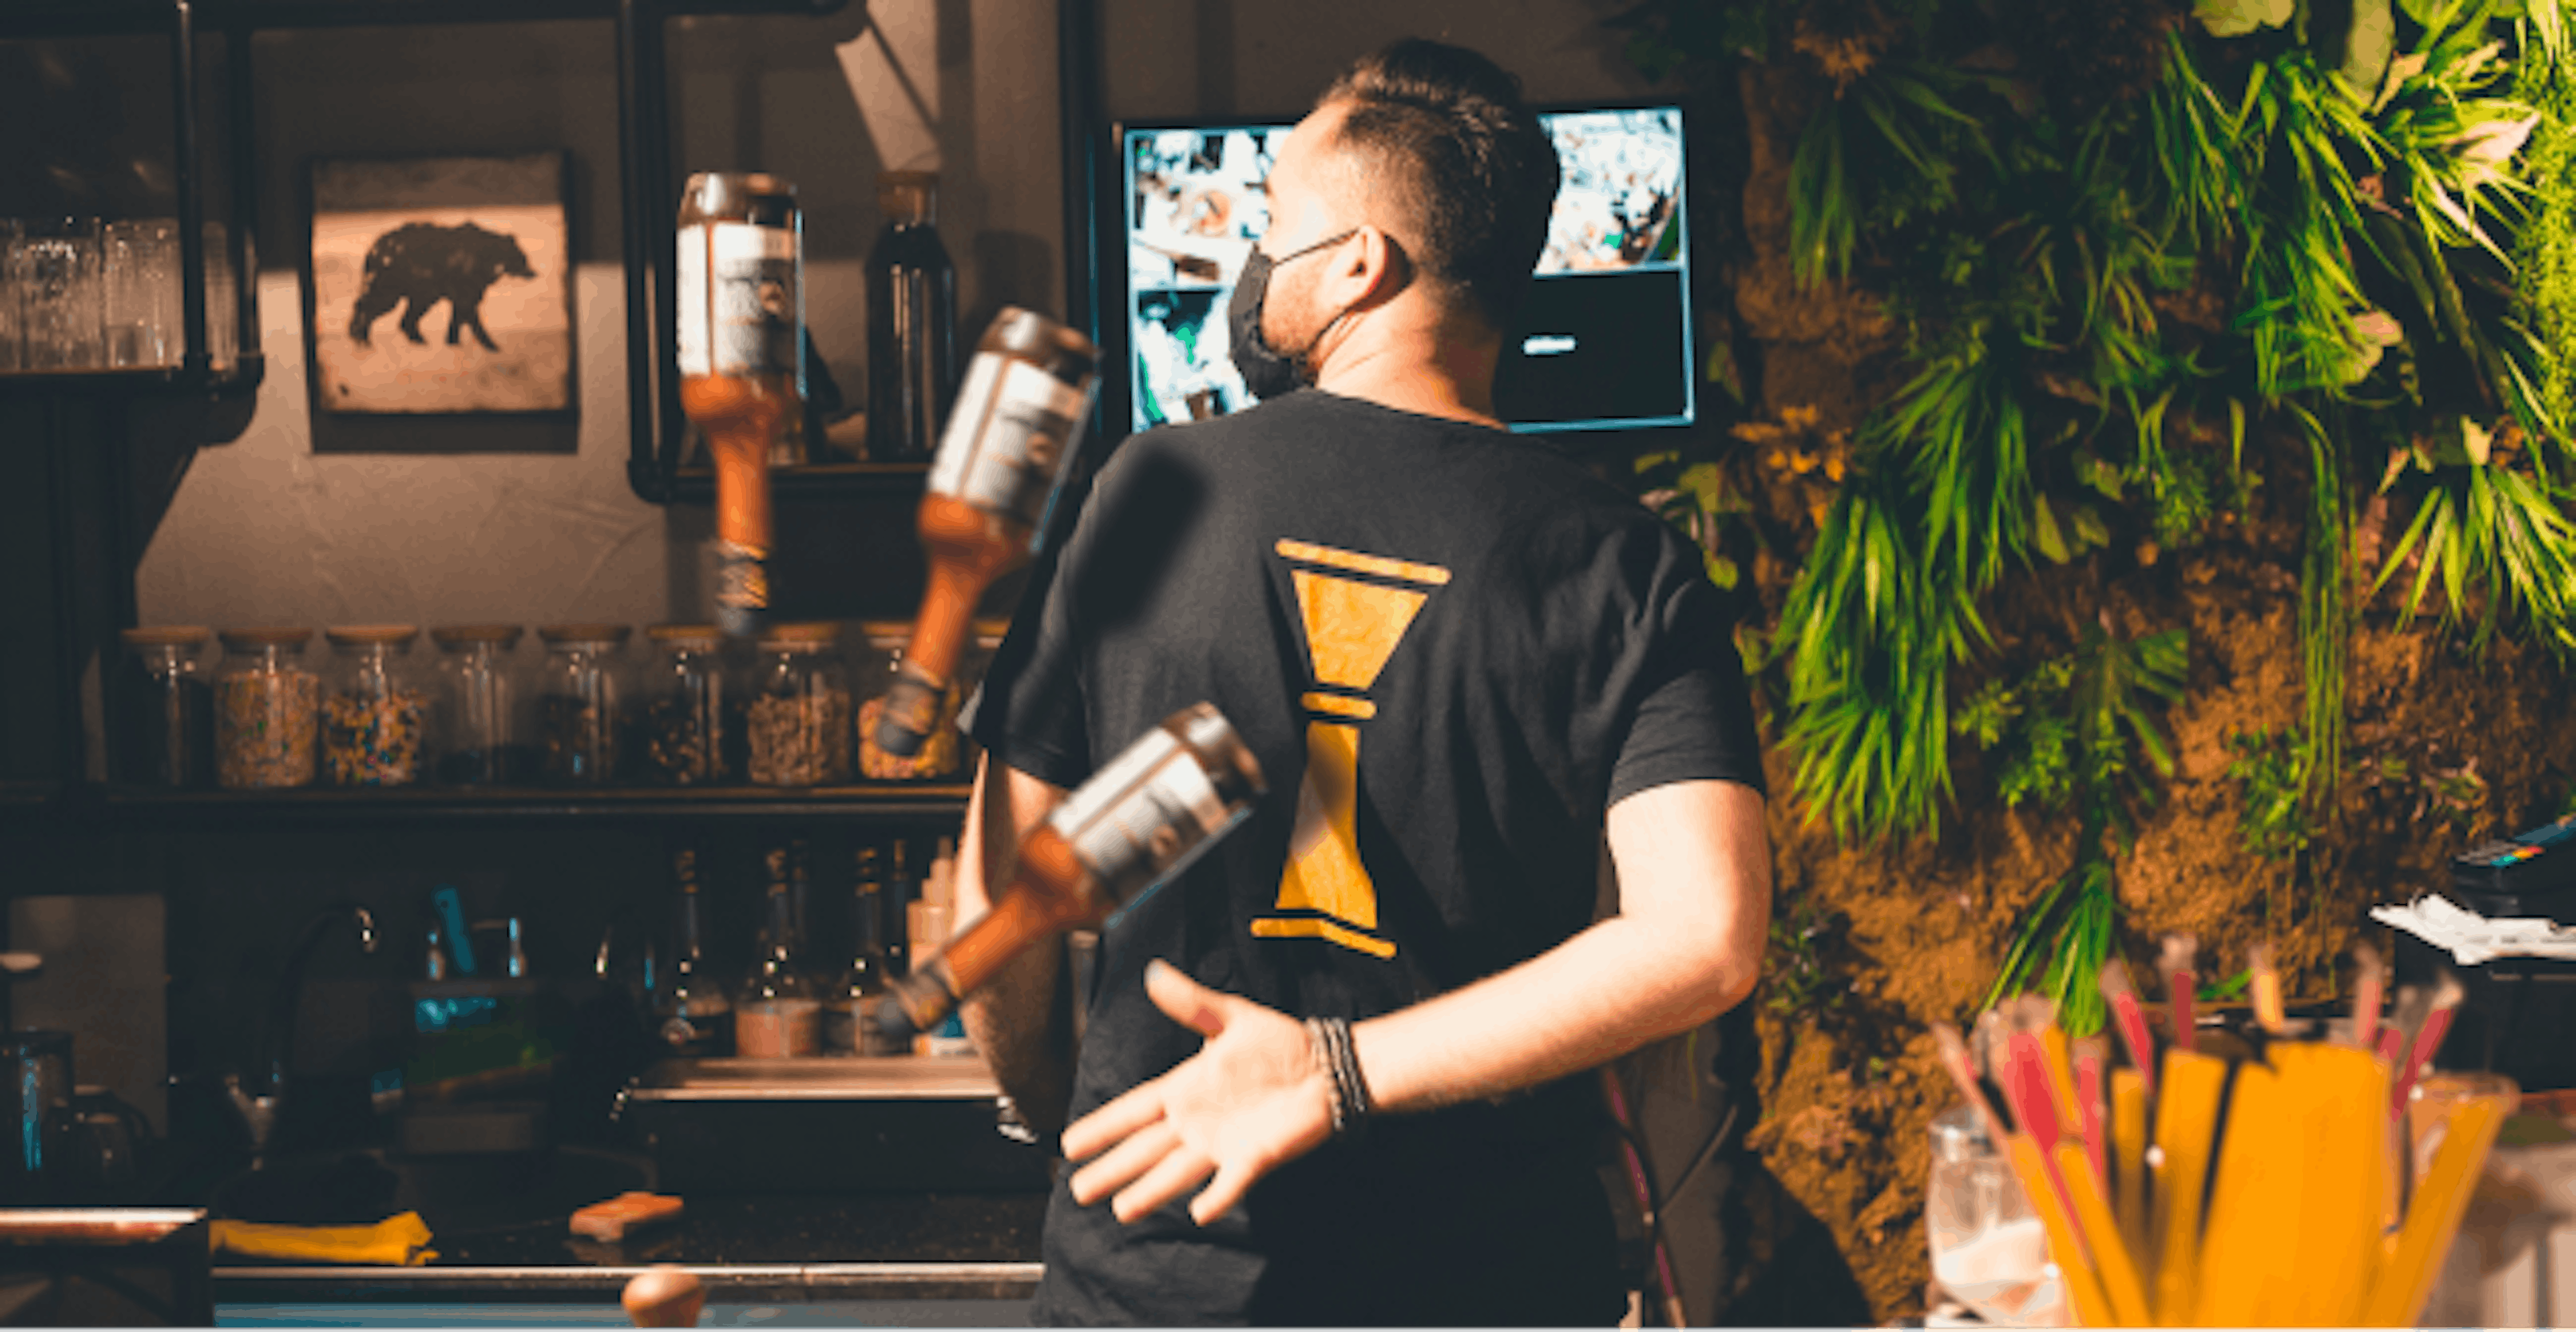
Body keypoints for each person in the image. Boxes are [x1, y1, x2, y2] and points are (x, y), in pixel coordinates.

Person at [957, 37, 1772, 1327]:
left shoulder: (1147, 493)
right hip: (1491, 1285)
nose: (1249, 266)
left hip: (1161, 1283)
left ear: (1357, 264)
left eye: (1272, 222)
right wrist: (1343, 1072)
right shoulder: (1625, 563)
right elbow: (1703, 939)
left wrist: (1062, 1111)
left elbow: (1006, 899)